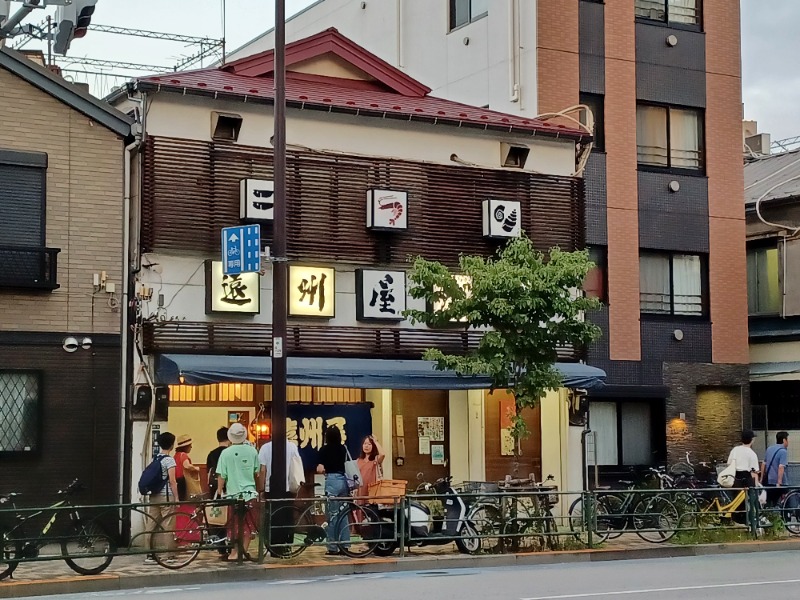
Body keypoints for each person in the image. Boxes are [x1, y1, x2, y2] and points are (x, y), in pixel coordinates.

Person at [216, 422, 260, 562]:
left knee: (234, 524)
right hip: (249, 493)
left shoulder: (225, 453)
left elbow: (222, 475)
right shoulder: (252, 451)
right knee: (248, 525)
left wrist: (218, 491)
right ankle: (243, 552)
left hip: (232, 494)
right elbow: (257, 473)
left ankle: (234, 552)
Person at [143, 432, 180, 565]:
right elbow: (172, 481)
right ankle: (170, 555)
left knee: (151, 524)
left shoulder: (156, 458)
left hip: (154, 495)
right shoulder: (169, 460)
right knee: (168, 525)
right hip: (166, 496)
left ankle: (149, 554)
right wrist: (176, 498)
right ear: (171, 444)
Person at [316, 425, 350, 555]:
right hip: (344, 480)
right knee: (344, 514)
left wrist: (325, 471)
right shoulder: (343, 448)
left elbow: (320, 468)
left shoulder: (324, 450)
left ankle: (332, 547)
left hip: (331, 480)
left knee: (332, 515)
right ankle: (345, 545)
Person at [205, 427, 230, 556]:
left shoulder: (211, 454)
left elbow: (208, 472)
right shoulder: (230, 453)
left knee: (218, 517)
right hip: (229, 488)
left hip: (214, 489)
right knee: (230, 517)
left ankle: (220, 545)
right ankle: (232, 545)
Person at [762, 431, 790, 506]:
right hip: (780, 483)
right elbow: (781, 467)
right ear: (784, 440)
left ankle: (768, 516)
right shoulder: (783, 451)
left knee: (769, 502)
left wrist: (761, 479)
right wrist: (779, 482)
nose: (789, 442)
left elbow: (763, 464)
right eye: (788, 439)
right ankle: (785, 515)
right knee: (788, 500)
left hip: (768, 481)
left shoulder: (769, 449)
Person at [355, 435, 385, 502]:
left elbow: (382, 454)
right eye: (365, 444)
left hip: (373, 491)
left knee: (371, 510)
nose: (366, 446)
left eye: (369, 444)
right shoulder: (358, 461)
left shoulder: (376, 459)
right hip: (361, 492)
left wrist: (376, 441)